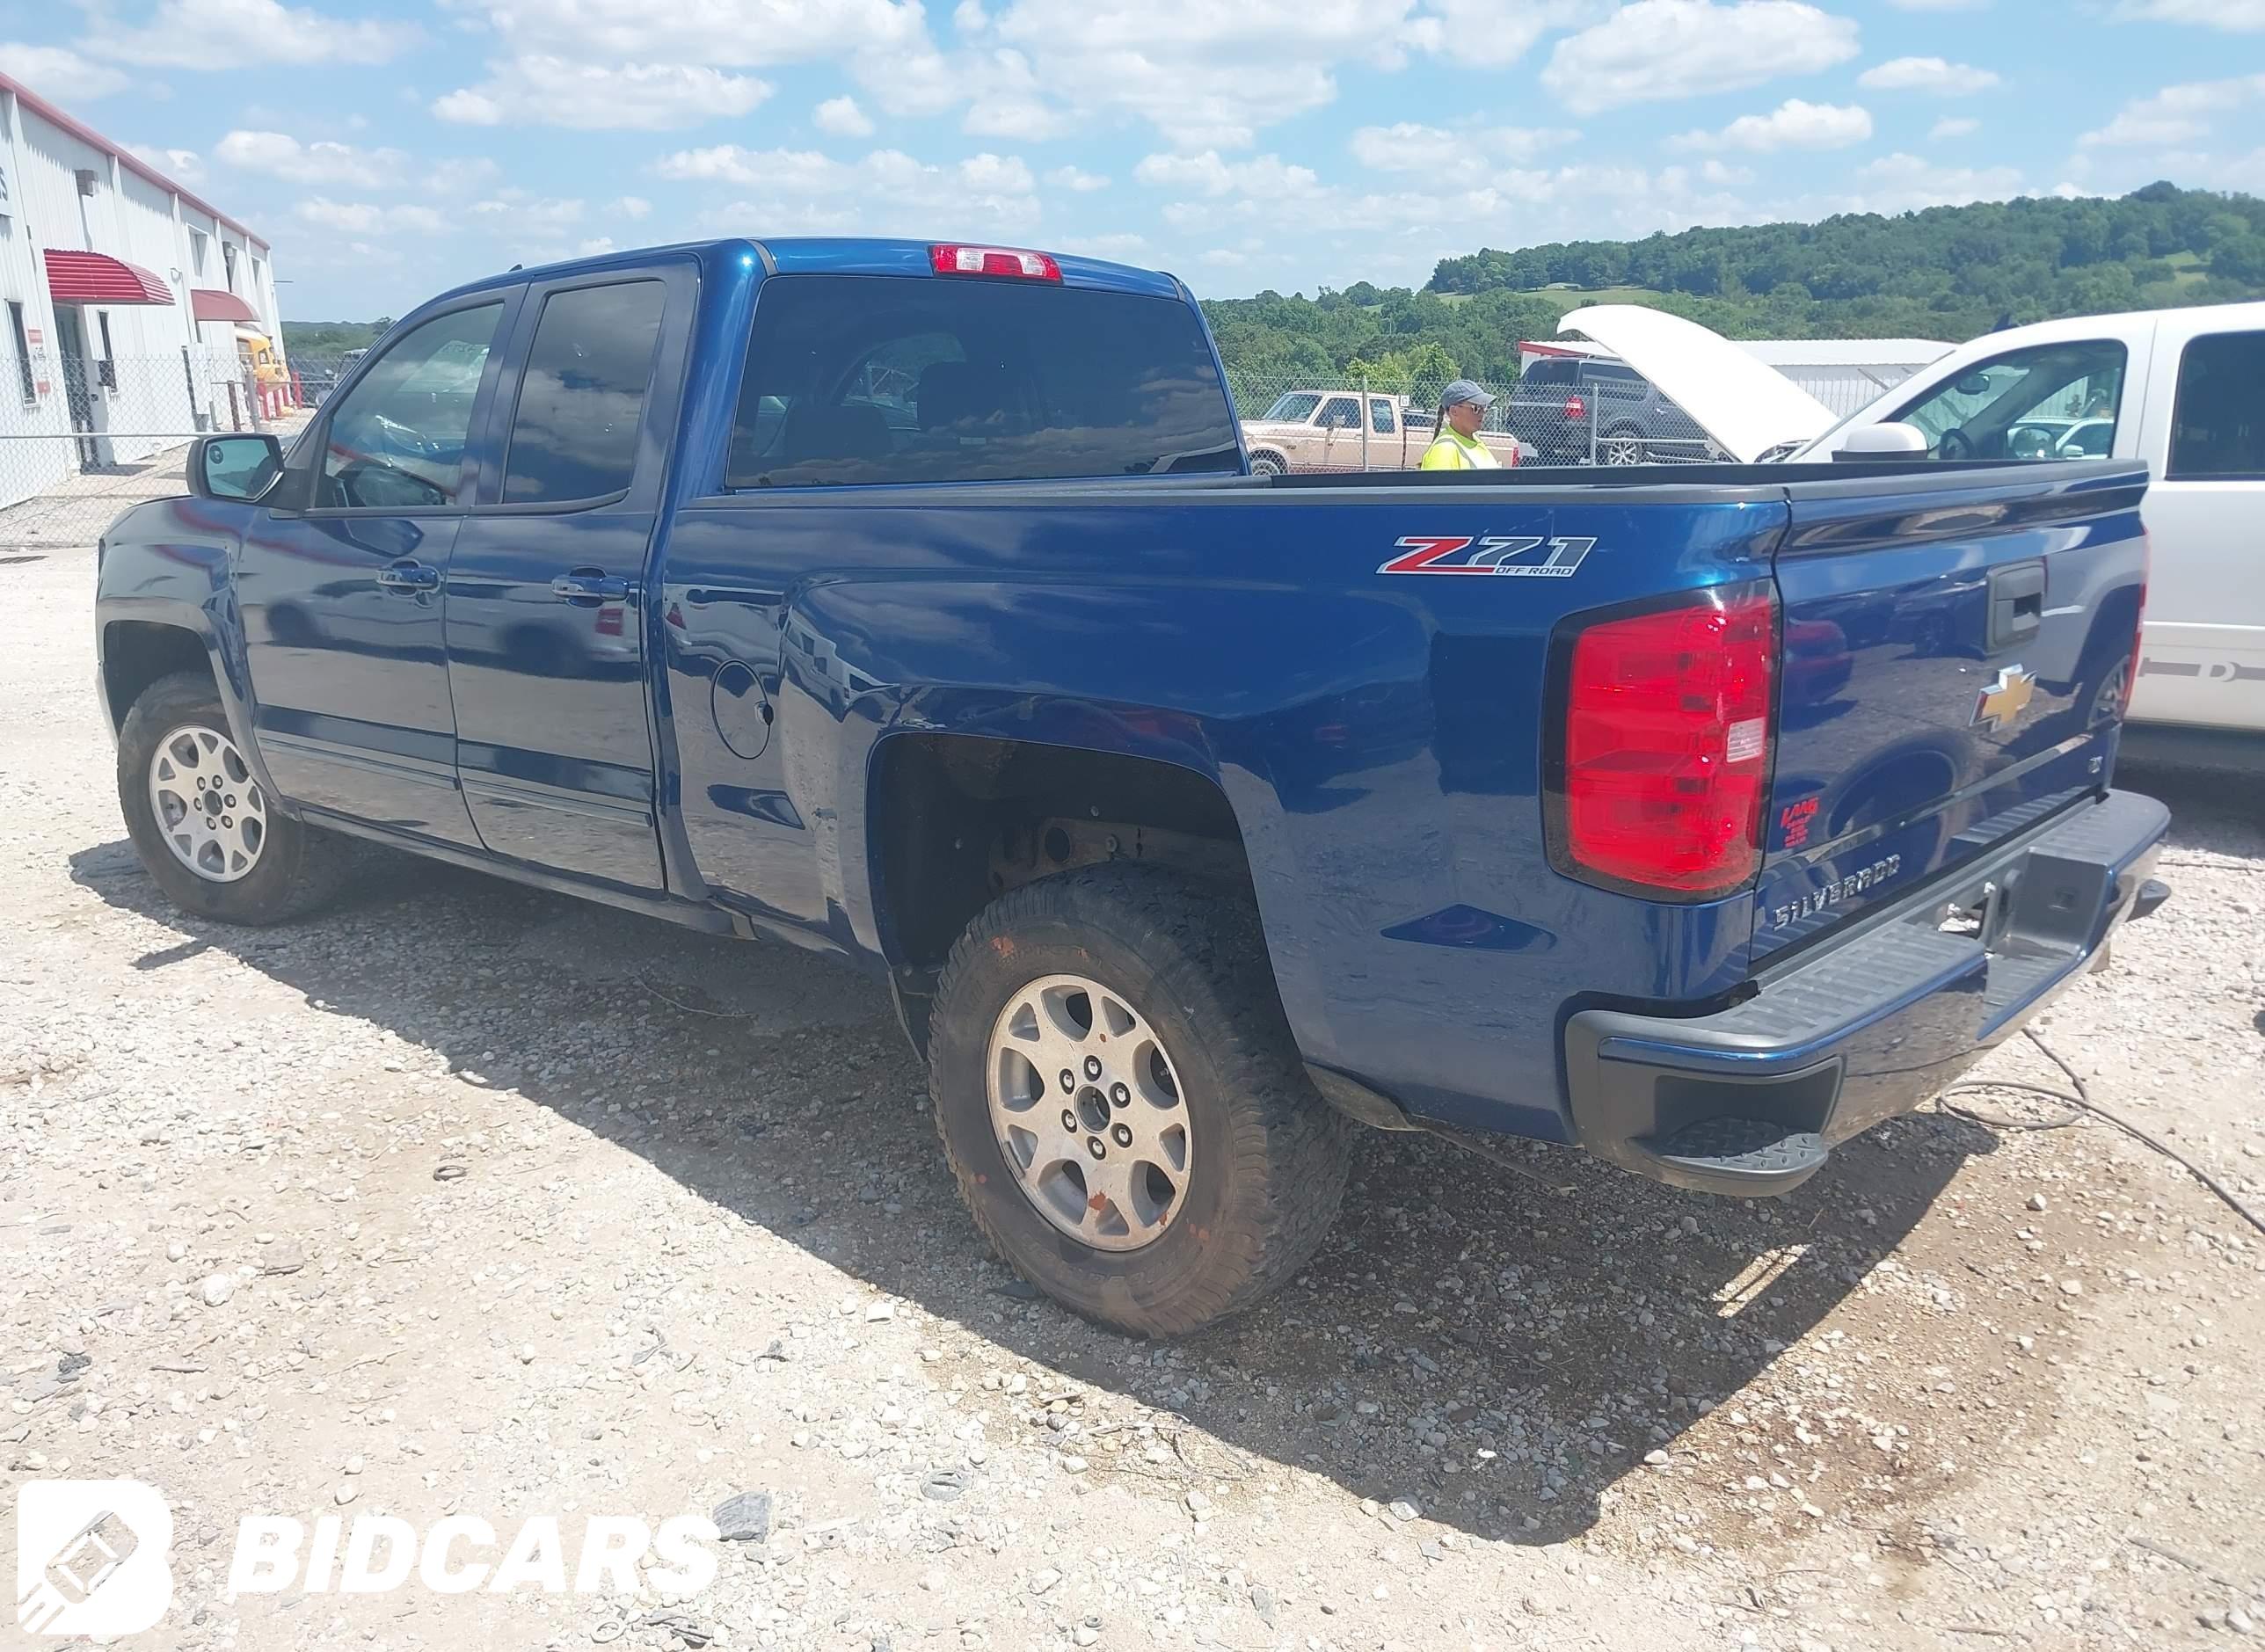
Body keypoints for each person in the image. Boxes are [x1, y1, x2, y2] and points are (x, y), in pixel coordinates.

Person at [1418, 380, 1501, 470]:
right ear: (1454, 411)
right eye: (1476, 408)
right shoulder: (1444, 449)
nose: (1482, 413)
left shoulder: (1475, 441)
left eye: (1484, 407)